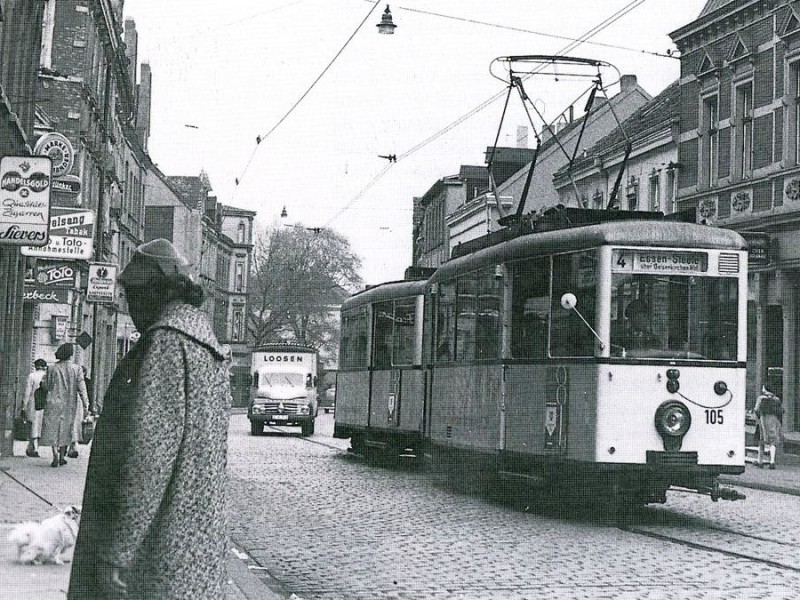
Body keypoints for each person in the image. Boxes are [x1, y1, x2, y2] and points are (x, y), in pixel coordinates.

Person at [68, 239, 232, 600]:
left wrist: (118, 552)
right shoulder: (205, 345)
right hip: (190, 549)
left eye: (135, 295)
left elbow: (149, 462)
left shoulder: (167, 345)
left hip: (153, 553)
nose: (131, 306)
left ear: (155, 292)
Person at [40, 344, 89, 468]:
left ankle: (55, 454)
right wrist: (85, 404)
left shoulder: (51, 368)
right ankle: (62, 456)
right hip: (69, 403)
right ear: (71, 354)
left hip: (53, 402)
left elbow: (46, 386)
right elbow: (82, 388)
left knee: (53, 428)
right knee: (66, 429)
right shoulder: (77, 369)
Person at [754, 384, 784, 469]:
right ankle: (772, 462)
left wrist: (758, 419)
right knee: (773, 441)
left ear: (766, 389)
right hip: (774, 421)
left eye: (763, 387)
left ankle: (760, 461)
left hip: (763, 420)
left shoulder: (761, 398)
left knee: (761, 441)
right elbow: (781, 410)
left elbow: (756, 409)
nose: (762, 389)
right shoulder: (777, 399)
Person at [23, 359, 48, 457]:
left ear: (35, 366)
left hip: (33, 403)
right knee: (40, 425)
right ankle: (33, 447)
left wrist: (24, 405)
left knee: (33, 425)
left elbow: (27, 392)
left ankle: (34, 447)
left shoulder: (32, 376)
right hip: (44, 404)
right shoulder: (47, 376)